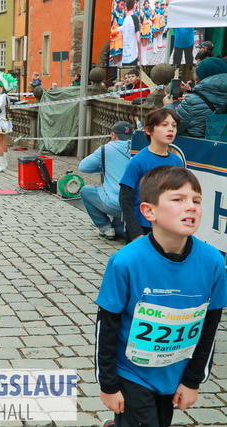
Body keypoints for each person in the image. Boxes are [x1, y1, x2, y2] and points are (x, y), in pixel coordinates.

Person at [95, 166, 226, 427]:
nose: (190, 207)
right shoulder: (125, 262)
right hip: (131, 374)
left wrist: (192, 381)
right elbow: (106, 327)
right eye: (178, 199)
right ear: (149, 211)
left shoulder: (213, 262)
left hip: (172, 375)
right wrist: (108, 385)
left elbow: (210, 327)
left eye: (196, 200)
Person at [119, 108, 183, 242]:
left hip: (167, 226)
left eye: (174, 126)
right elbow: (125, 198)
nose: (170, 129)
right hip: (143, 227)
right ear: (149, 130)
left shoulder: (177, 161)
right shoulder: (138, 161)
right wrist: (135, 231)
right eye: (164, 125)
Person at [78, 121, 132, 240]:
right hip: (135, 207)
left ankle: (105, 227)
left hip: (114, 204)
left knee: (86, 191)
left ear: (113, 135)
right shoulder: (140, 149)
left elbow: (83, 167)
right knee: (120, 230)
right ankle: (121, 227)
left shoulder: (106, 149)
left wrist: (104, 166)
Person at [163, 57, 227, 138]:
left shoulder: (192, 102)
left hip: (198, 145)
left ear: (201, 77)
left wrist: (168, 106)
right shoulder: (194, 100)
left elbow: (172, 127)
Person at [0, 72, 18, 173]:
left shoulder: (2, 97)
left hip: (0, 121)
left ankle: (2, 164)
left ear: (2, 87)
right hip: (3, 121)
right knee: (3, 141)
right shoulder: (5, 96)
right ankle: (3, 162)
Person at [121, 0, 140, 66]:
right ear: (134, 5)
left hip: (124, 57)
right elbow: (138, 39)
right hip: (133, 55)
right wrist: (139, 54)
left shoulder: (125, 19)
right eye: (135, 3)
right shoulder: (135, 18)